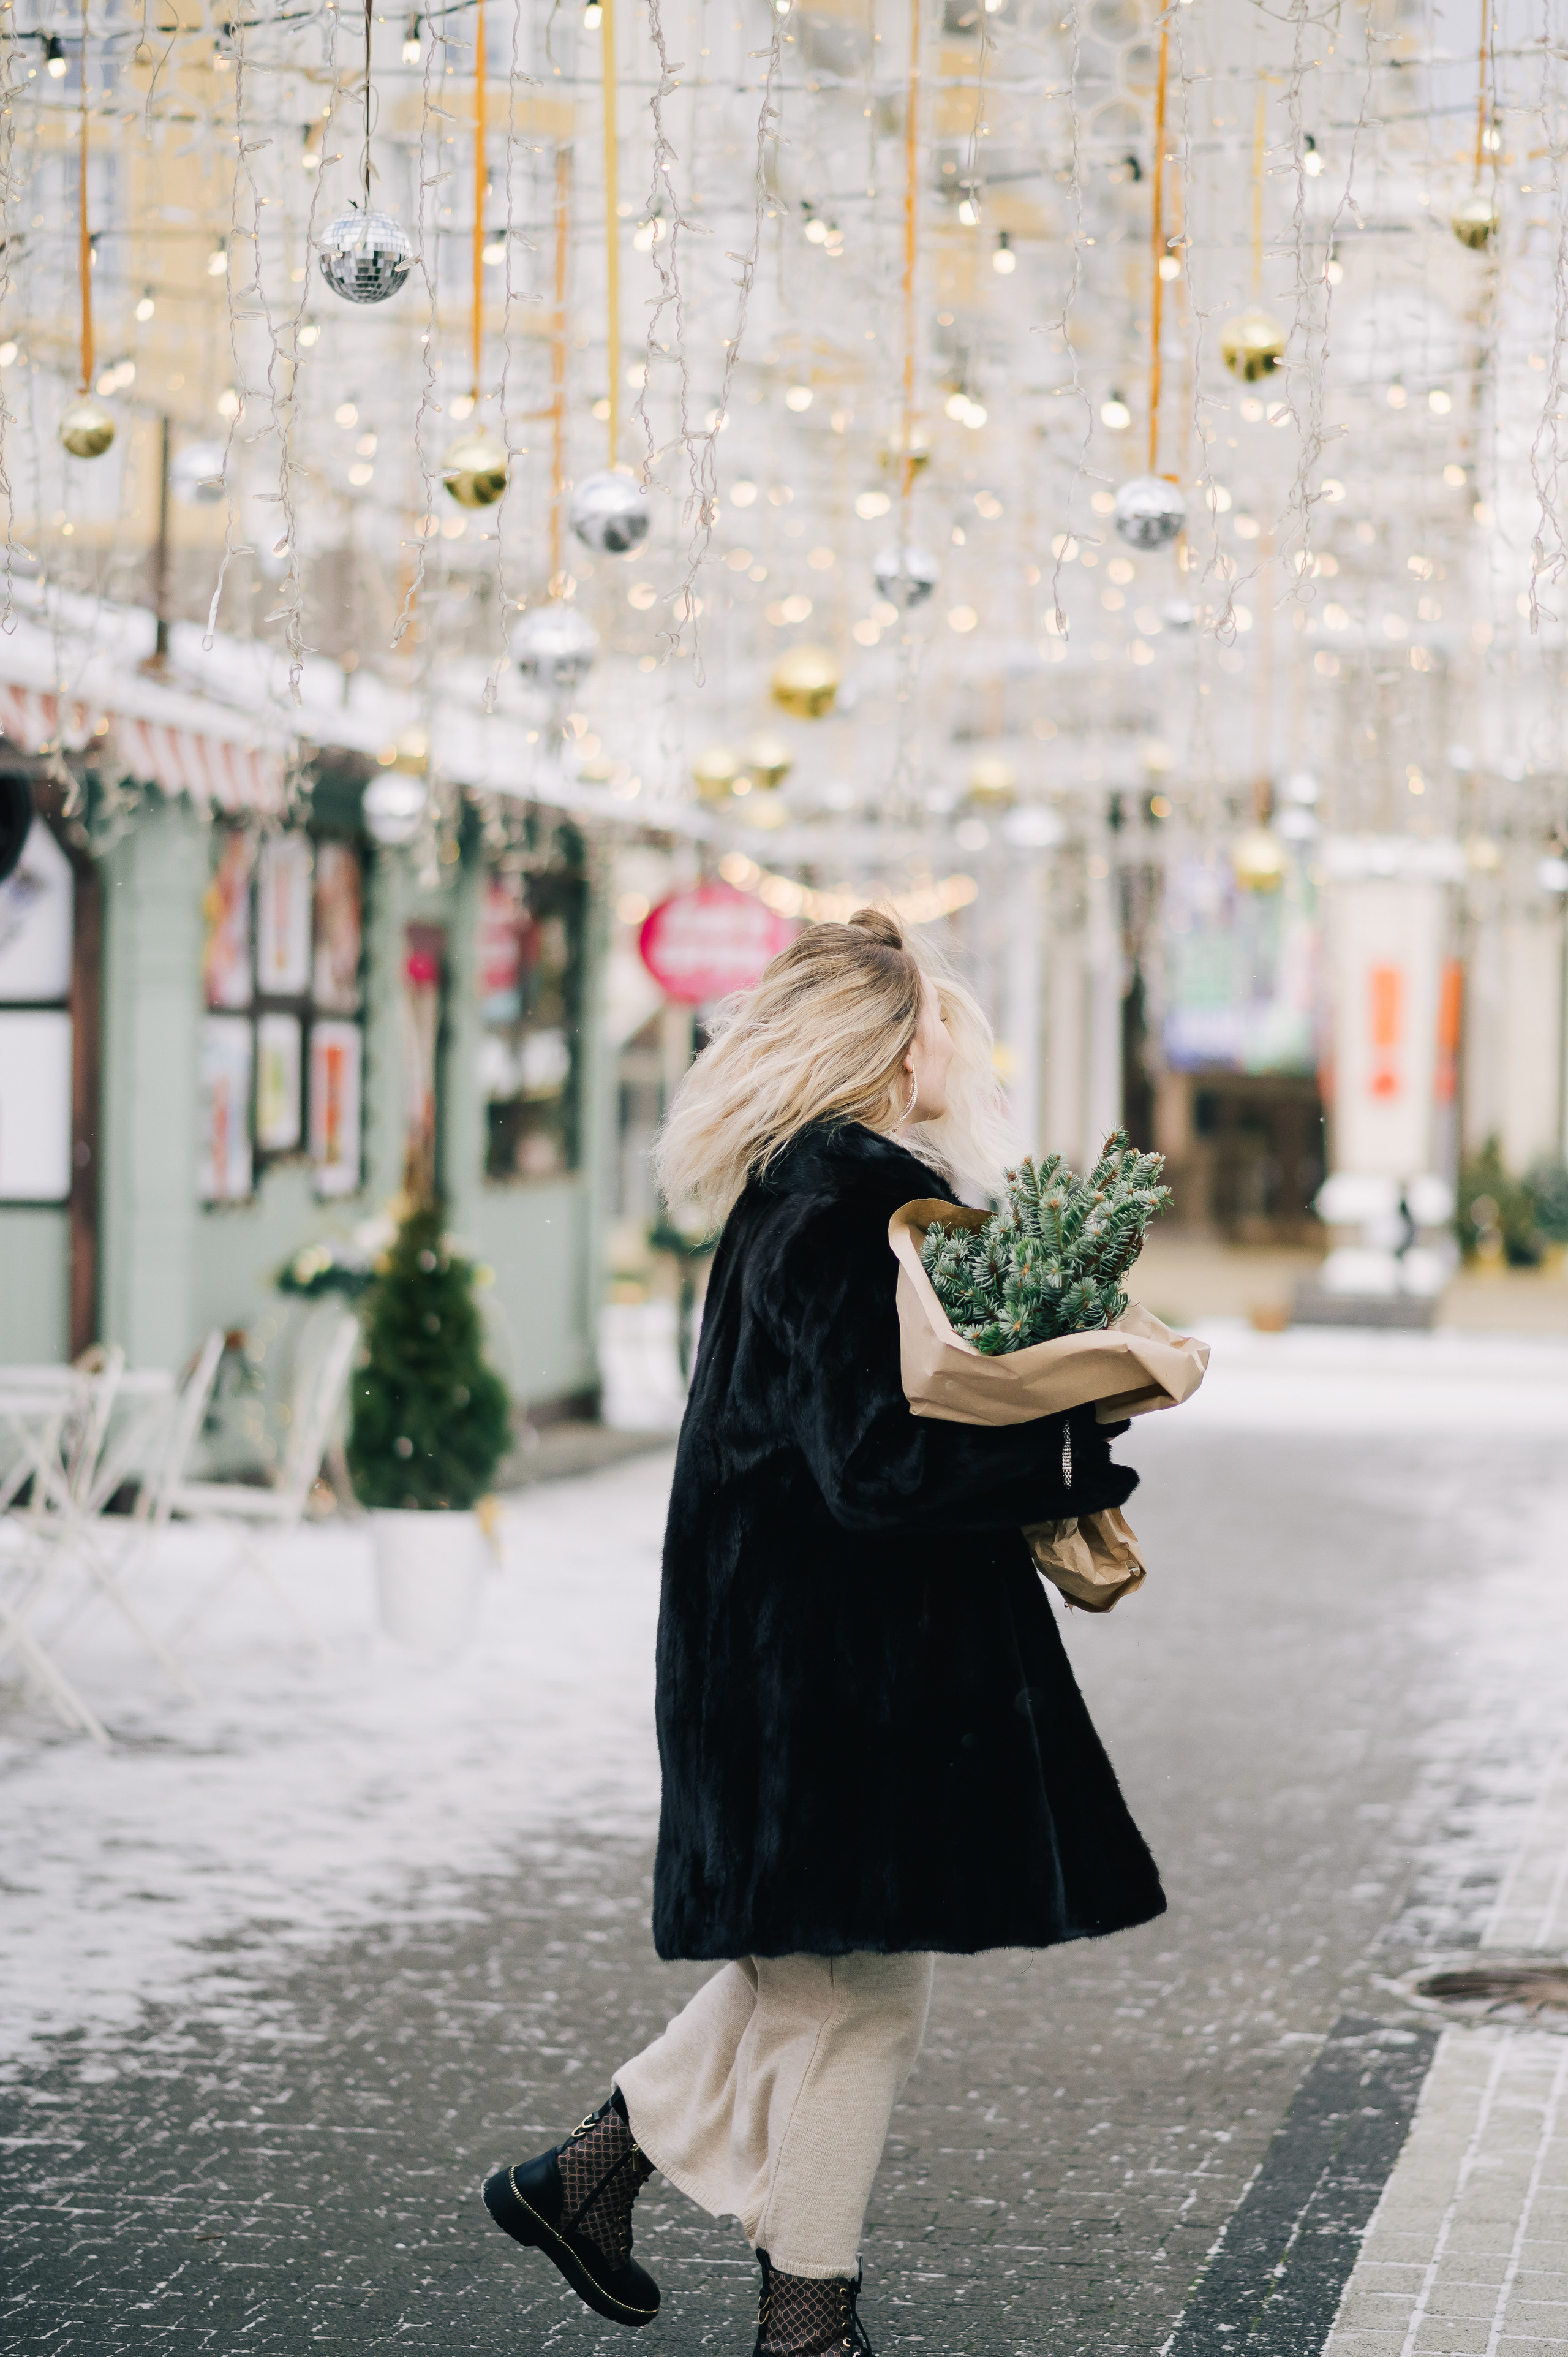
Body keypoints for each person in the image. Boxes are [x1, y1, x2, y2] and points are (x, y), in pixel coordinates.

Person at [483, 909, 1165, 2356]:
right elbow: (870, 1466)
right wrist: (1057, 1449)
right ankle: (792, 2318)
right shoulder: (853, 1210)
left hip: (785, 1665)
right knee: (853, 1999)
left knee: (823, 1981)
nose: (961, 1048)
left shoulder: (800, 1193)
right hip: (831, 1683)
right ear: (890, 1051)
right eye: (942, 1022)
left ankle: (594, 2187)